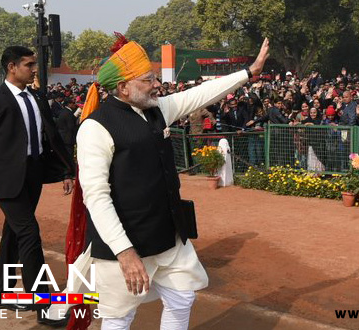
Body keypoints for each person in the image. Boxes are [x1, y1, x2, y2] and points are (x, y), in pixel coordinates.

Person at [73, 37, 270, 330]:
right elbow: (96, 197)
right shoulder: (94, 127)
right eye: (147, 79)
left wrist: (249, 71)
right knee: (119, 316)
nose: (157, 85)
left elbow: (202, 94)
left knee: (181, 298)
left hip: (167, 235)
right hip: (124, 244)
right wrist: (124, 253)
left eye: (154, 78)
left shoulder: (158, 109)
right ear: (123, 87)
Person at [0, 46, 74, 326]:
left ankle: (0, 292)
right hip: (4, 181)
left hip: (33, 176)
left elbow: (52, 138)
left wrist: (67, 170)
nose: (34, 69)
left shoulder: (37, 97)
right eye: (29, 64)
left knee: (14, 232)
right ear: (12, 67)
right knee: (29, 234)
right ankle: (44, 308)